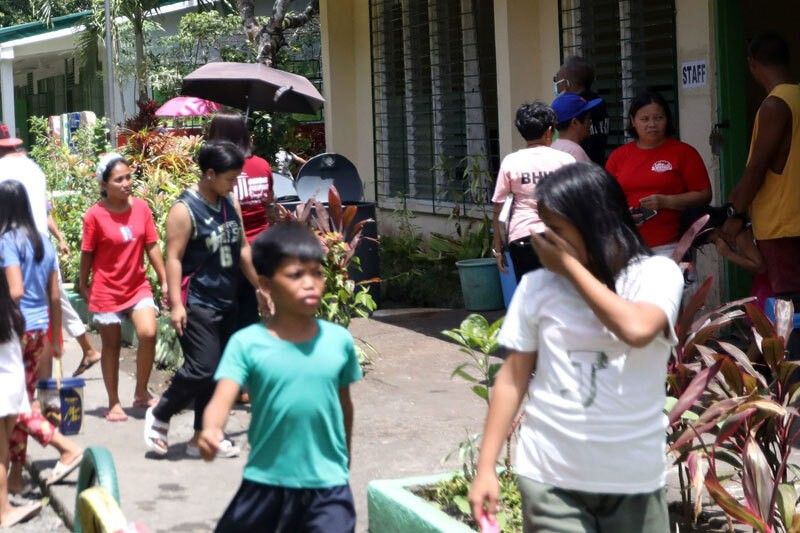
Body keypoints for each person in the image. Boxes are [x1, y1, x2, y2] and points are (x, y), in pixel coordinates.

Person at [469, 162, 683, 533]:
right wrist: (486, 467)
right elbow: (512, 378)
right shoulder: (537, 287)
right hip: (551, 477)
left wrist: (569, 268)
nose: (543, 239)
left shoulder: (656, 274)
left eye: (555, 229)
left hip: (633, 479)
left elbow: (636, 329)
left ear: (595, 224)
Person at [199, 221, 361, 532]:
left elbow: (344, 406)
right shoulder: (247, 343)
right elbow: (222, 398)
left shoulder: (338, 342)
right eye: (296, 275)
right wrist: (211, 429)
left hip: (327, 485)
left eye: (316, 272)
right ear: (267, 284)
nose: (310, 283)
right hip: (265, 481)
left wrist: (345, 459)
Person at [144, 140, 259, 458]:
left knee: (219, 370)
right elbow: (174, 258)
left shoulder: (229, 203)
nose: (234, 184)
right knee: (202, 367)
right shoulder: (184, 209)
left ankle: (203, 435)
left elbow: (243, 248)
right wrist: (177, 304)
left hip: (228, 299)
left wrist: (260, 287)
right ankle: (161, 412)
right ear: (210, 174)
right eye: (230, 178)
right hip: (197, 301)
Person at [0, 181, 84, 498]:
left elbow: (15, 290)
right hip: (38, 332)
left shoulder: (6, 242)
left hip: (13, 331)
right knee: (22, 398)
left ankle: (66, 447)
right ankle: (17, 475)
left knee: (15, 405)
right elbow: (54, 296)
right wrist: (57, 337)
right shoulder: (43, 243)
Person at [0, 136, 101, 377]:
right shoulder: (34, 171)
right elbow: (44, 213)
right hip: (40, 246)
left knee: (34, 298)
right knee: (57, 298)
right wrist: (59, 238)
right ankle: (82, 350)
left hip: (15, 247)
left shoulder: (6, 171)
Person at [79, 153, 167, 422]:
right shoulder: (95, 216)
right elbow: (88, 252)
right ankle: (114, 402)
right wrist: (83, 284)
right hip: (107, 289)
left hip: (137, 285)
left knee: (148, 332)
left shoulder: (141, 209)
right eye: (119, 179)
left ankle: (141, 392)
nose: (127, 182)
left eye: (128, 177)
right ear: (104, 185)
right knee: (111, 345)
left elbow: (151, 245)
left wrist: (163, 279)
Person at [721, 32, 800, 298]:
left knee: (789, 304)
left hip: (782, 223)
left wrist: (735, 213)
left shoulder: (774, 104)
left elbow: (758, 166)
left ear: (752, 64)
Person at [605, 90, 712, 256]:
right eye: (645, 119)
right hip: (627, 246)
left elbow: (704, 195)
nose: (652, 124)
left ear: (667, 119)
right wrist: (624, 214)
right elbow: (605, 200)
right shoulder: (618, 156)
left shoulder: (684, 152)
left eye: (658, 118)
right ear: (633, 121)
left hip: (674, 245)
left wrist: (667, 201)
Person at [491, 102, 575, 282]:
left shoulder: (511, 161)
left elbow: (498, 206)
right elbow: (577, 201)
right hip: (560, 235)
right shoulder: (566, 160)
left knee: (530, 293)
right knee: (562, 293)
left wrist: (498, 248)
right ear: (549, 131)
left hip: (522, 237)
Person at [0, 270, 43, 528]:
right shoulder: (13, 311)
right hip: (9, 378)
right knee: (1, 447)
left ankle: (3, 507)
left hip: (7, 376)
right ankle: (4, 509)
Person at [553, 56, 609, 165]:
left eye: (557, 78)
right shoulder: (599, 102)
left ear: (566, 83)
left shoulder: (572, 107)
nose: (556, 83)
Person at [551, 92, 602, 162]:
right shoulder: (575, 152)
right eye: (588, 119)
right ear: (575, 122)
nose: (590, 122)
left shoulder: (552, 147)